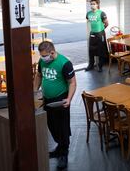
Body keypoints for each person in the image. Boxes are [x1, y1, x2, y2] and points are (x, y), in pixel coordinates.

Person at [33, 41, 77, 170]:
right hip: (47, 99)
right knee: (51, 125)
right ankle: (60, 146)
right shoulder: (42, 62)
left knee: (62, 127)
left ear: (52, 52)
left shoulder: (64, 63)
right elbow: (39, 75)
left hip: (61, 99)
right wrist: (34, 91)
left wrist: (69, 99)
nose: (43, 58)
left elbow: (72, 83)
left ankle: (63, 153)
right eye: (41, 55)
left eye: (45, 55)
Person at [85, 0, 109, 72]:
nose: (92, 5)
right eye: (91, 4)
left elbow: (106, 23)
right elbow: (88, 21)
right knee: (91, 50)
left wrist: (101, 29)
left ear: (97, 4)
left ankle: (100, 66)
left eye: (94, 4)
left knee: (101, 50)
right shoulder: (88, 14)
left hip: (100, 34)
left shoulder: (101, 13)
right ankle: (91, 65)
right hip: (92, 33)